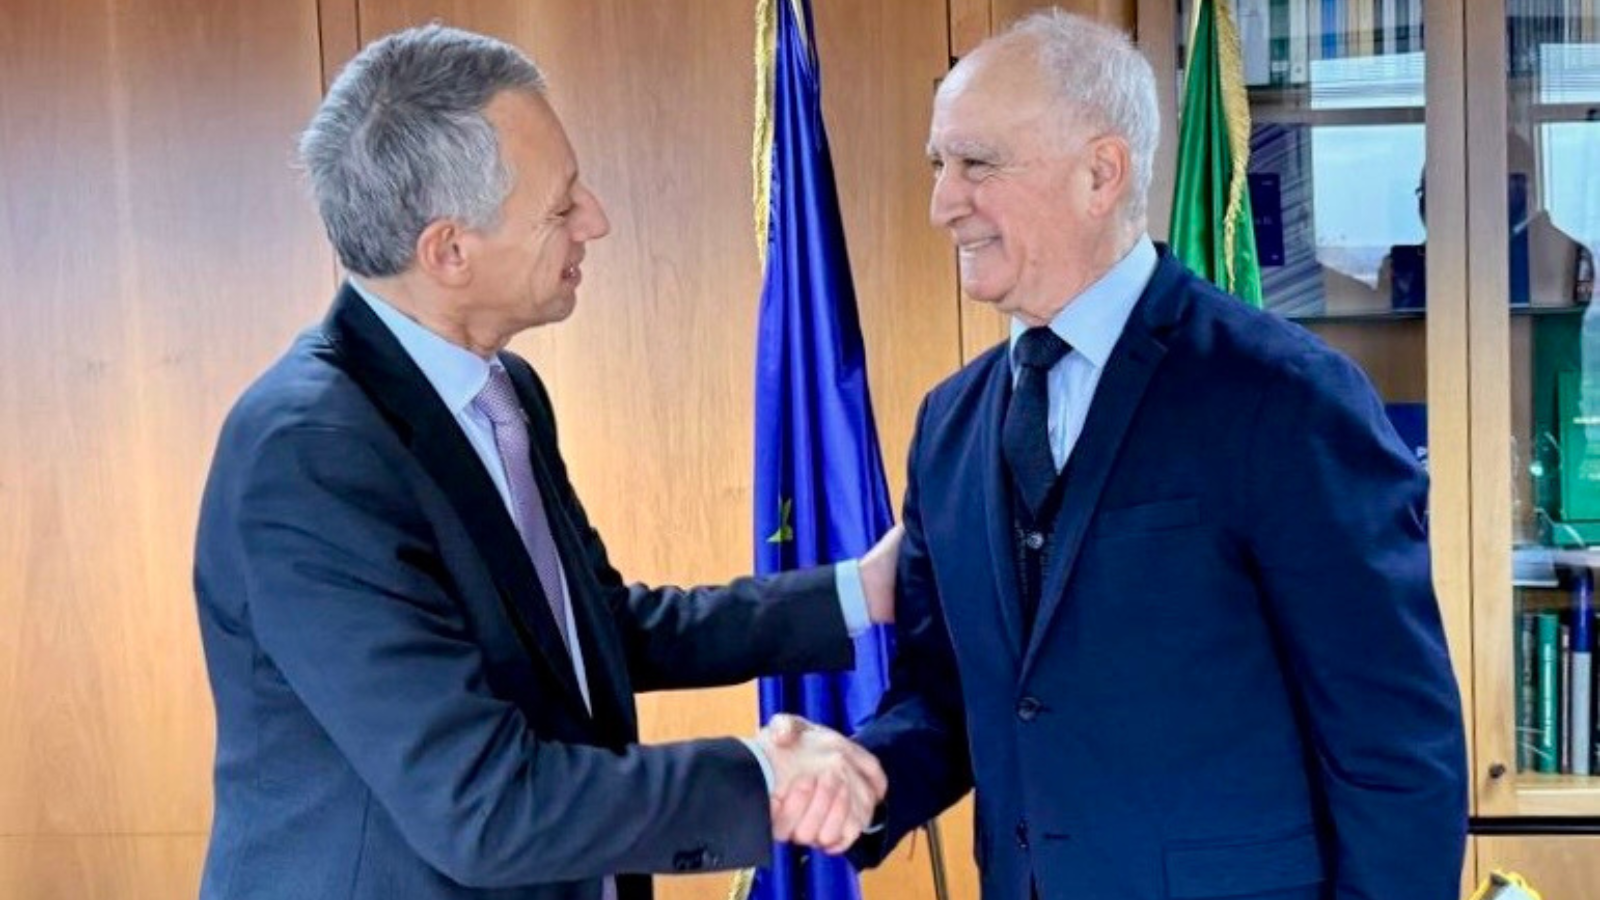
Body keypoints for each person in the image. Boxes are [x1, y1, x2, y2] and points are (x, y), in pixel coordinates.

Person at [193, 25, 894, 900]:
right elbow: (480, 805)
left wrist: (859, 593)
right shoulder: (309, 457)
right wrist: (760, 777)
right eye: (562, 208)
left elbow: (595, 631)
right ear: (449, 250)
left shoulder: (503, 391)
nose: (595, 220)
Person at [824, 10, 1467, 900]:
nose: (942, 203)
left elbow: (1395, 749)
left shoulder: (1286, 398)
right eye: (939, 164)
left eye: (976, 164)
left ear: (1102, 172)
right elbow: (948, 696)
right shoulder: (948, 424)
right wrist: (865, 779)